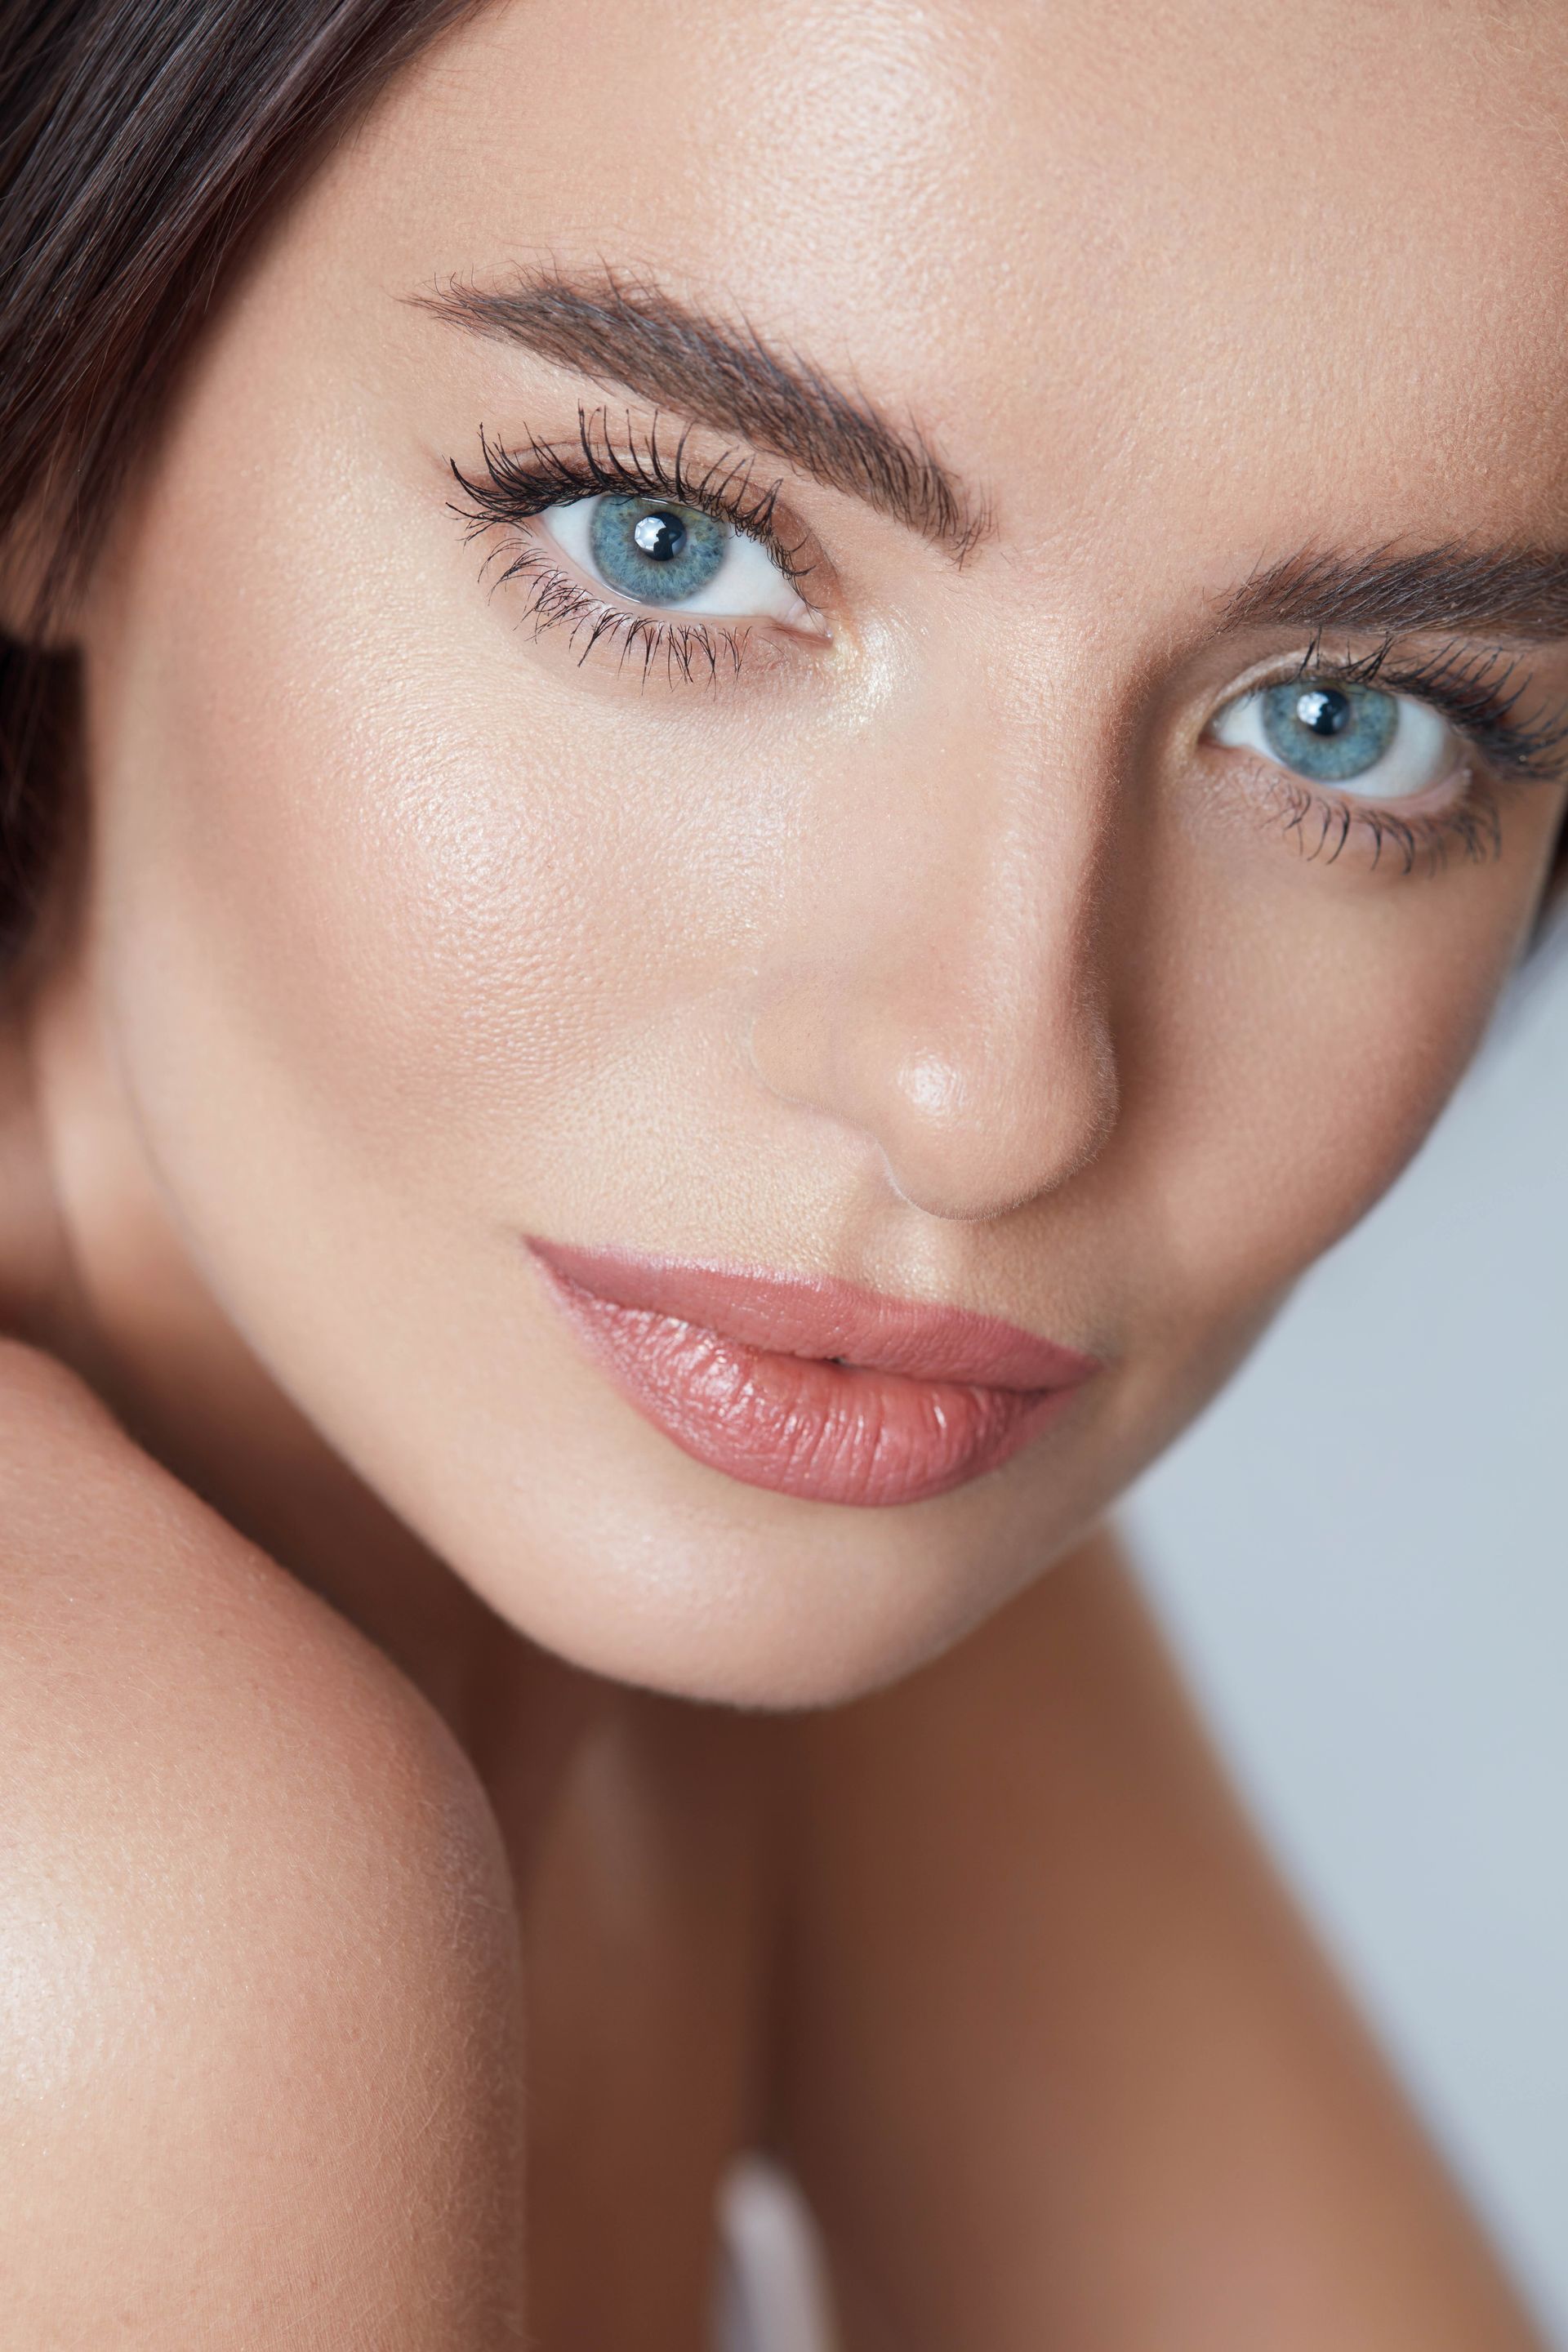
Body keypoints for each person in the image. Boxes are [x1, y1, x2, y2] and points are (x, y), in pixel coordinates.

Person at [0, 0, 1561, 2342]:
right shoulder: (102, 1887)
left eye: (1348, 718)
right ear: (57, 407)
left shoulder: (775, 1448)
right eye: (670, 545)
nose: (991, 1093)